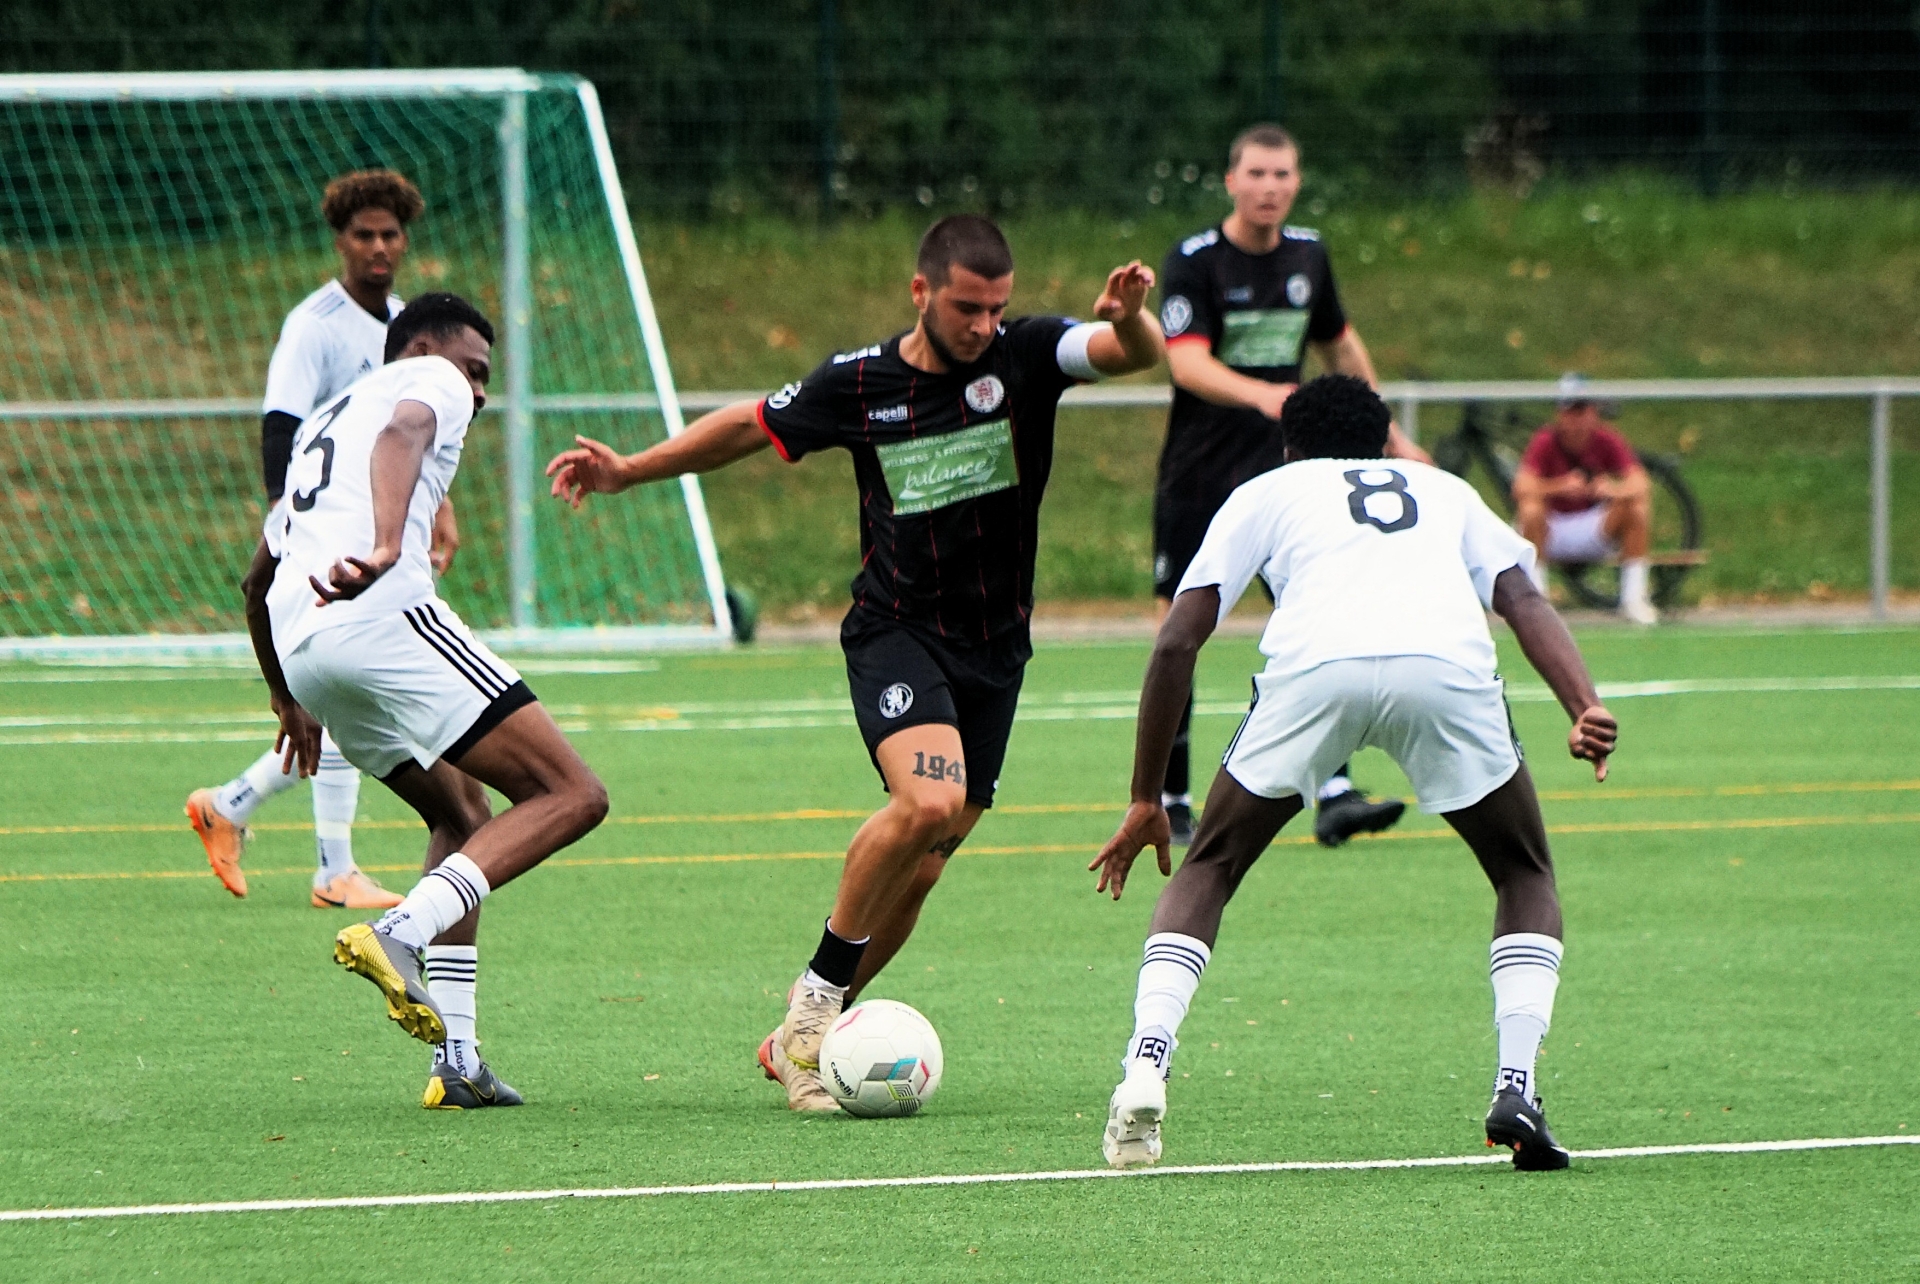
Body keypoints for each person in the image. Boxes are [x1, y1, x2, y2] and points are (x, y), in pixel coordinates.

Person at [546, 215, 1166, 1111]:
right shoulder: (861, 382)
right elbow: (750, 425)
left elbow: (1127, 353)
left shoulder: (1027, 353)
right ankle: (813, 1011)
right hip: (896, 630)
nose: (983, 325)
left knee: (925, 865)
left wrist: (1132, 316)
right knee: (930, 799)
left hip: (997, 648)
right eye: (966, 308)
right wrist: (631, 470)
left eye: (996, 308)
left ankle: (801, 1036)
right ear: (921, 292)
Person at [1089, 375, 1618, 1172]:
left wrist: (1146, 796)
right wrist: (1584, 704)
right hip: (1443, 668)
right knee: (1523, 870)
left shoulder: (1266, 491)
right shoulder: (1443, 488)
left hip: (1317, 669)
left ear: (1289, 447)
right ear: (1384, 441)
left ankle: (1146, 1062)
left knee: (1212, 863)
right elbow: (1523, 599)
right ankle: (1517, 1083)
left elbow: (1176, 641)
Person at [243, 292, 609, 1109]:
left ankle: (459, 1060)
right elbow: (405, 433)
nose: (476, 390)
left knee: (463, 815)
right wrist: (384, 546)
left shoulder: (321, 429)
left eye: (483, 379)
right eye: (473, 369)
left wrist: (285, 695)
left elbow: (256, 578)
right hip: (380, 617)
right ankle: (399, 931)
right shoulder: (422, 382)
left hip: (307, 651)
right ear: (419, 349)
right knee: (572, 793)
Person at [187, 168, 461, 908]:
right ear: (340, 240)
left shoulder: (407, 325)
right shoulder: (314, 324)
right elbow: (282, 426)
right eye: (364, 234)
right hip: (326, 535)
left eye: (390, 234)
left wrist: (438, 507)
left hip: (379, 533)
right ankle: (325, 864)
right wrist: (288, 523)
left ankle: (238, 809)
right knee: (347, 678)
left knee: (344, 687)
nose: (379, 247)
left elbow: (410, 430)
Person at [1153, 123, 1426, 848]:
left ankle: (1333, 791)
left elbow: (1340, 343)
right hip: (1201, 473)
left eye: (1282, 174)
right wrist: (1266, 395)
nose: (1269, 187)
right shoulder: (1194, 260)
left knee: (1316, 618)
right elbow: (1186, 363)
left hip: (1294, 476)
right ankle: (1170, 799)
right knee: (1182, 629)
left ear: (1297, 182)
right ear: (1231, 182)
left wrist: (1392, 436)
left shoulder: (1309, 254)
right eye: (1256, 174)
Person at [1513, 373, 1657, 625]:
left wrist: (1612, 489)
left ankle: (1633, 599)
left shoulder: (1607, 439)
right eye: (1569, 411)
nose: (1576, 420)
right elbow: (1521, 486)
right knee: (1530, 509)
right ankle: (1538, 601)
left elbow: (1640, 484)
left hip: (1593, 526)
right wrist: (1559, 487)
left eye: (1581, 410)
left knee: (1636, 508)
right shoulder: (1545, 441)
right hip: (1553, 528)